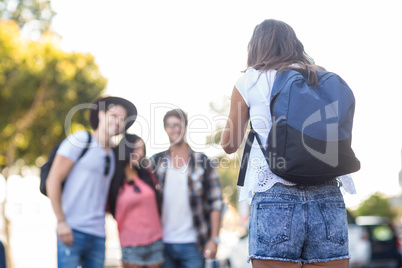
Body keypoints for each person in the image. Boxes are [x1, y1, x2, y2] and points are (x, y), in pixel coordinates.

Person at [221, 19, 354, 268]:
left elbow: (229, 144)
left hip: (274, 193)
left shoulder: (250, 81)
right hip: (327, 193)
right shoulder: (320, 75)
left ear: (256, 47)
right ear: (294, 44)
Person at [46, 96, 137, 268]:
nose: (117, 122)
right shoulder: (81, 139)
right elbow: (53, 179)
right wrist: (61, 222)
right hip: (72, 230)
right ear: (101, 115)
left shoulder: (114, 153)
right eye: (114, 116)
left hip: (98, 234)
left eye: (122, 120)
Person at [150, 109, 223, 268]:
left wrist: (214, 239)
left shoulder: (203, 161)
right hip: (163, 243)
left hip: (194, 244)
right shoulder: (155, 161)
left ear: (185, 127)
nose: (175, 129)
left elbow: (216, 203)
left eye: (179, 125)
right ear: (165, 128)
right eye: (171, 125)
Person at [108, 134, 164, 268]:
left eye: (142, 150)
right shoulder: (114, 182)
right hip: (131, 245)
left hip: (155, 242)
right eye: (136, 149)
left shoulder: (147, 176)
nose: (140, 153)